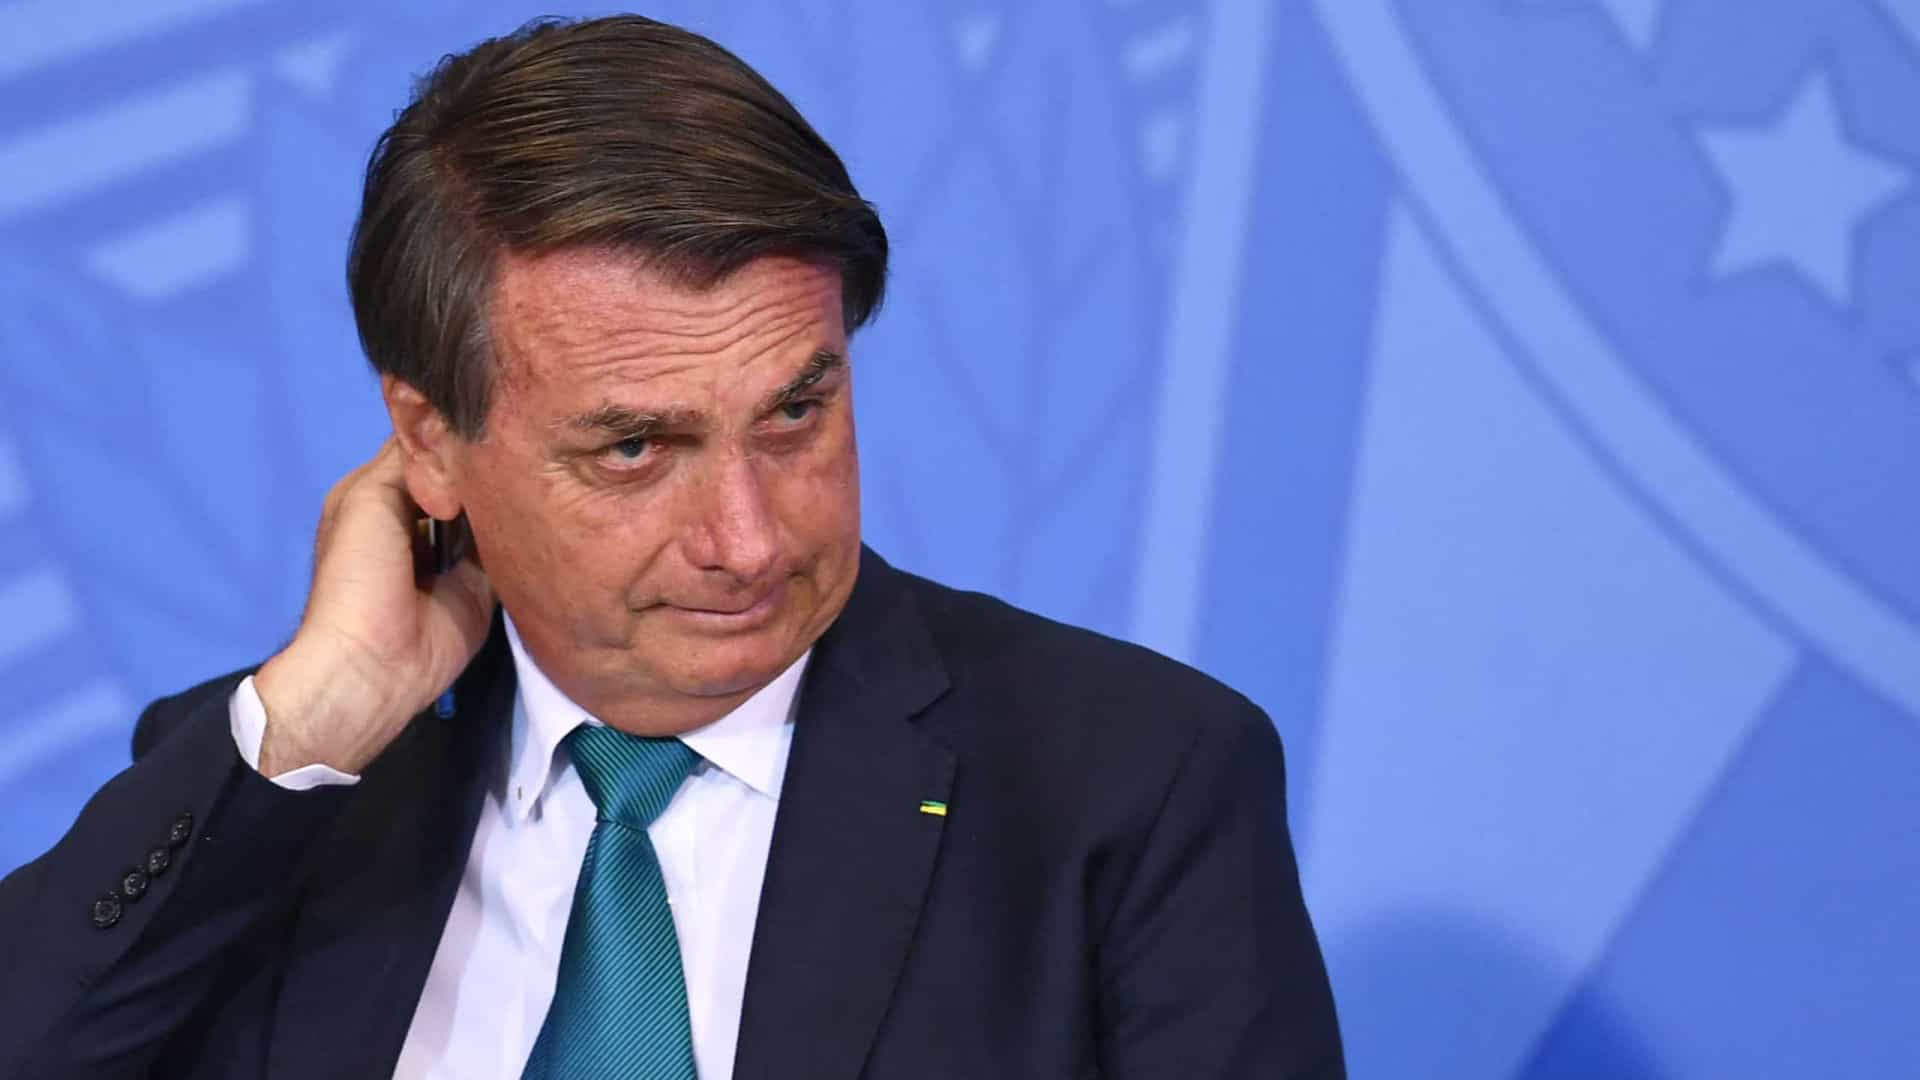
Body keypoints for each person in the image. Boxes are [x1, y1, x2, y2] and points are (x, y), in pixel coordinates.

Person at [0, 14, 1342, 1079]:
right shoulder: (282, 797)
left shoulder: (1130, 786)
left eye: (796, 413)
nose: (749, 541)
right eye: (636, 448)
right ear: (430, 441)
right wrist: (321, 714)